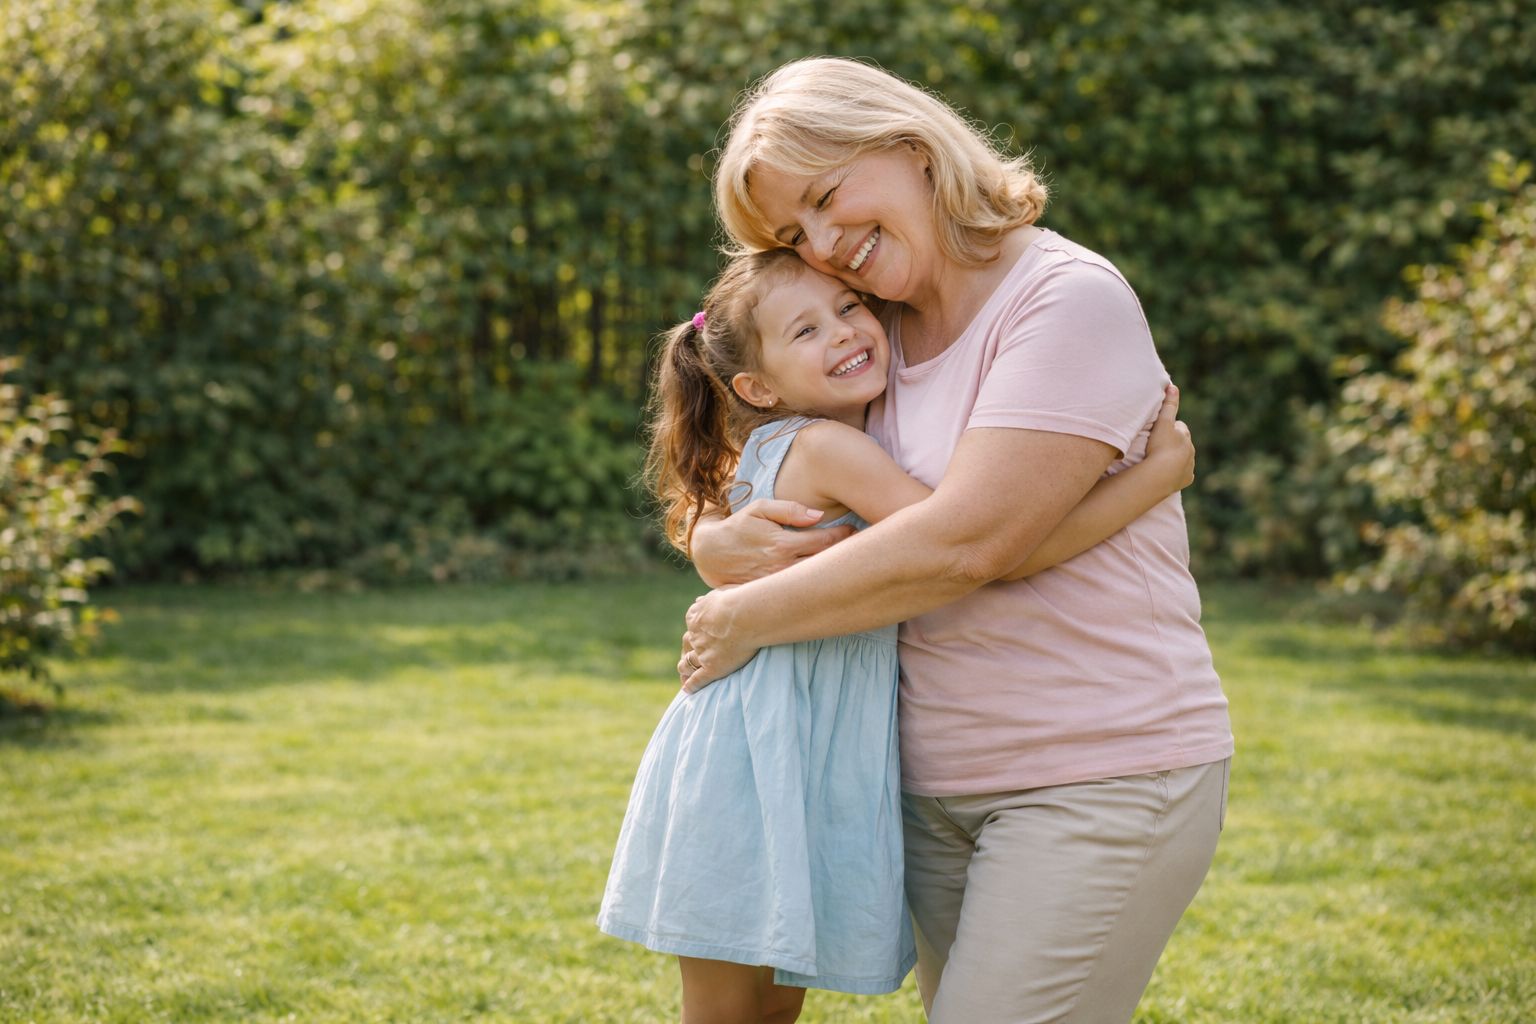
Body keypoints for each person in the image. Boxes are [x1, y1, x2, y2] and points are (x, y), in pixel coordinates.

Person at [678, 58, 1235, 1023]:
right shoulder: (871, 332)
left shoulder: (1062, 300)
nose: (824, 246)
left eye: (824, 197)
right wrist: (713, 543)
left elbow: (969, 543)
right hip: (932, 788)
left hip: (1094, 770)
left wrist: (744, 617)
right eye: (793, 234)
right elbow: (766, 460)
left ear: (906, 142)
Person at [598, 245, 1199, 1024]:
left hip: (785, 744)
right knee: (732, 1013)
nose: (845, 332)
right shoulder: (829, 446)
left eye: (849, 308)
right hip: (767, 748)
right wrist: (1154, 477)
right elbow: (988, 547)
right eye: (806, 330)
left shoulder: (802, 439)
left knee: (755, 1009)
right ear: (758, 386)